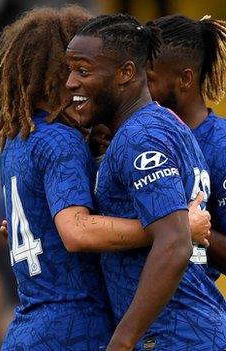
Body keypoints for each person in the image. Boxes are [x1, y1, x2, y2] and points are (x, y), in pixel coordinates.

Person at [0, 7, 211, 351]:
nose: (71, 81)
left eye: (82, 69)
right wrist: (177, 226)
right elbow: (76, 230)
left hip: (32, 327)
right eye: (68, 68)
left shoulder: (20, 139)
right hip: (77, 325)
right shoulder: (65, 140)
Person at [66, 14, 226, 350]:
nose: (70, 83)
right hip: (187, 330)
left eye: (83, 70)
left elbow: (174, 243)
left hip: (173, 335)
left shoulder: (142, 136)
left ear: (126, 73)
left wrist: (122, 342)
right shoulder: (161, 125)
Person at [147, 14, 226, 277]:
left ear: (185, 79)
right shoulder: (134, 133)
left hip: (188, 310)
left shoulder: (220, 144)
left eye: (149, 80)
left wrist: (180, 225)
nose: (138, 89)